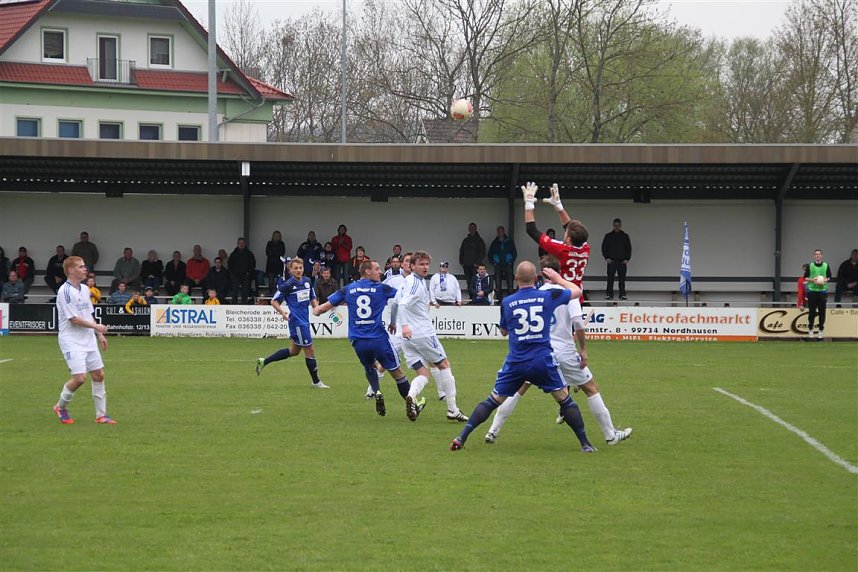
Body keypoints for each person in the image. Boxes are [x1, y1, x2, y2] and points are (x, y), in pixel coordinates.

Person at [484, 256, 632, 446]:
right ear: (557, 272)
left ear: (540, 275)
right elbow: (578, 323)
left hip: (538, 352)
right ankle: (610, 435)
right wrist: (583, 350)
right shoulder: (565, 292)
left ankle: (493, 431)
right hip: (564, 351)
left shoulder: (536, 293)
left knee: (517, 389)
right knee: (590, 388)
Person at [449, 262, 595, 452]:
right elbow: (576, 291)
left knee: (492, 400)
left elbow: (503, 331)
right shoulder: (547, 296)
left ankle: (461, 437)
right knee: (564, 400)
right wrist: (559, 279)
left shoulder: (508, 302)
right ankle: (585, 444)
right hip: (542, 360)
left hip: (517, 361)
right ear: (536, 279)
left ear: (516, 279)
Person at [313, 259, 413, 418]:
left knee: (370, 367)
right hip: (378, 339)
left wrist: (316, 310)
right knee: (398, 373)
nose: (380, 272)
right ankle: (412, 404)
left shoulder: (348, 289)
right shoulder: (382, 288)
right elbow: (404, 297)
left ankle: (377, 391)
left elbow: (324, 307)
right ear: (367, 271)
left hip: (358, 341)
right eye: (377, 269)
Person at [391, 250, 468, 422]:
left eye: (427, 264)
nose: (425, 267)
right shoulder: (416, 285)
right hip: (422, 334)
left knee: (423, 373)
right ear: (412, 266)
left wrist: (392, 323)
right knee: (444, 365)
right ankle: (452, 409)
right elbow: (402, 305)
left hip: (408, 339)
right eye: (421, 264)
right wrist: (403, 326)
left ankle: (411, 396)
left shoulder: (407, 281)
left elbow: (395, 303)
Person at [51, 256, 114, 425]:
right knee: (79, 378)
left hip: (87, 338)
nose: (85, 269)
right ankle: (60, 407)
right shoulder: (65, 291)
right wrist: (99, 327)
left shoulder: (85, 289)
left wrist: (98, 334)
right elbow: (74, 319)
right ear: (71, 270)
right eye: (81, 266)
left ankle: (101, 415)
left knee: (99, 374)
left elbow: (87, 314)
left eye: (84, 266)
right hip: (71, 340)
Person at [256, 258, 329, 389]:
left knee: (294, 351)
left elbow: (312, 296)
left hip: (304, 321)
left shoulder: (307, 281)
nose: (298, 270)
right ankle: (316, 382)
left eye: (300, 268)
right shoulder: (287, 285)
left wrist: (316, 308)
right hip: (297, 322)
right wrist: (283, 313)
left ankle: (264, 361)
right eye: (295, 268)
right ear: (290, 270)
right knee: (310, 350)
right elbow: (274, 301)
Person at [521, 182, 590, 290]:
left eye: (566, 232)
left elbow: (531, 230)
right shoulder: (586, 248)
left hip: (563, 295)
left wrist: (529, 203)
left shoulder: (561, 250)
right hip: (577, 295)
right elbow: (570, 226)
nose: (565, 231)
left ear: (568, 239)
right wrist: (559, 206)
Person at [804, 249, 831, 339]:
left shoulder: (826, 265)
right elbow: (805, 278)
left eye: (819, 254)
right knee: (812, 312)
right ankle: (810, 329)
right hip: (812, 291)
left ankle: (820, 331)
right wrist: (813, 280)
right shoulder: (810, 266)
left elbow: (829, 277)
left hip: (822, 291)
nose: (818, 256)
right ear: (814, 256)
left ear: (822, 256)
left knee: (822, 312)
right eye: (816, 254)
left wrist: (824, 280)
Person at [602, 218, 632, 300]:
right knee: (610, 279)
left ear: (620, 226)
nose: (617, 227)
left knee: (622, 279)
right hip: (611, 261)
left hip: (622, 261)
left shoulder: (625, 236)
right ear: (613, 226)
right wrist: (607, 258)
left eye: (618, 225)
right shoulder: (608, 236)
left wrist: (627, 259)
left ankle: (622, 295)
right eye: (615, 225)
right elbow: (604, 248)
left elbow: (628, 248)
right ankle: (609, 295)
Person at [488, 225, 517, 301]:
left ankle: (510, 300)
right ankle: (499, 301)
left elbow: (514, 253)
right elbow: (490, 254)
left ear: (504, 232)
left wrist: (511, 261)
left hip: (508, 265)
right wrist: (494, 262)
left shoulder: (510, 241)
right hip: (498, 266)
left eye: (501, 231)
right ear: (497, 232)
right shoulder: (494, 242)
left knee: (510, 284)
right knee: (498, 285)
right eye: (498, 231)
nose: (500, 233)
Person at [228, 237, 256, 304]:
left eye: (242, 243)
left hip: (245, 275)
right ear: (237, 244)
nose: (241, 244)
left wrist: (248, 273)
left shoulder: (249, 254)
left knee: (245, 291)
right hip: (235, 275)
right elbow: (230, 265)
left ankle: (243, 305)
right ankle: (234, 305)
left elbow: (253, 264)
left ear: (245, 244)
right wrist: (233, 274)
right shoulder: (233, 254)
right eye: (239, 243)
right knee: (234, 291)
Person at [459, 222, 486, 289]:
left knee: (475, 282)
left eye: (473, 228)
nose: (471, 230)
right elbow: (462, 251)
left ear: (476, 229)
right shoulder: (466, 240)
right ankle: (470, 296)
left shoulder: (479, 240)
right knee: (468, 282)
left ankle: (475, 297)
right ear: (469, 229)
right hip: (466, 264)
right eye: (470, 228)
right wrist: (461, 261)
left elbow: (482, 253)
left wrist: (477, 263)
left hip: (475, 266)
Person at [265, 231, 286, 295]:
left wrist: (273, 252)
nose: (276, 237)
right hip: (270, 265)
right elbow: (267, 253)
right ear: (273, 236)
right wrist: (276, 253)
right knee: (271, 282)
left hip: (279, 265)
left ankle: (278, 295)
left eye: (278, 236)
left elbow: (282, 253)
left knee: (279, 281)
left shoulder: (282, 244)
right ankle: (271, 295)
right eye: (275, 235)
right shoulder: (269, 243)